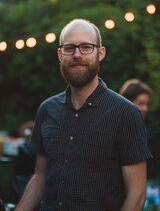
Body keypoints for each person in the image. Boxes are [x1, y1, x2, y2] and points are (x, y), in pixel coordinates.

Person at [15, 19, 152, 211]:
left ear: (101, 53)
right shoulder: (47, 110)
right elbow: (40, 177)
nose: (77, 54)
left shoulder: (125, 113)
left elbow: (136, 195)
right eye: (69, 48)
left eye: (86, 47)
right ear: (60, 54)